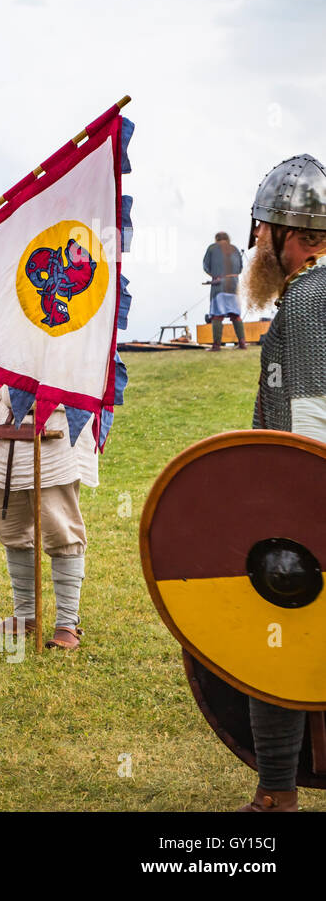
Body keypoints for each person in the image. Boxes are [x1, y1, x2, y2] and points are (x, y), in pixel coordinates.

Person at [237, 154, 326, 811]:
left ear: (291, 237)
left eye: (263, 231)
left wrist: (288, 520)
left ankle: (276, 792)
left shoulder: (305, 303)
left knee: (275, 635)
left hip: (310, 504)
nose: (256, 247)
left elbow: (308, 421)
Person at [0, 390, 97, 648]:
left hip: (56, 427)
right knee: (12, 527)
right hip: (5, 429)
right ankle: (25, 617)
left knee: (61, 529)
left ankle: (67, 624)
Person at [203, 231, 246, 350]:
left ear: (216, 239)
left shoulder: (212, 248)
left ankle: (216, 345)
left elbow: (206, 266)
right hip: (233, 285)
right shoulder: (235, 249)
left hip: (219, 285)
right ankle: (242, 343)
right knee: (235, 315)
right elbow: (240, 268)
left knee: (217, 315)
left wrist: (215, 275)